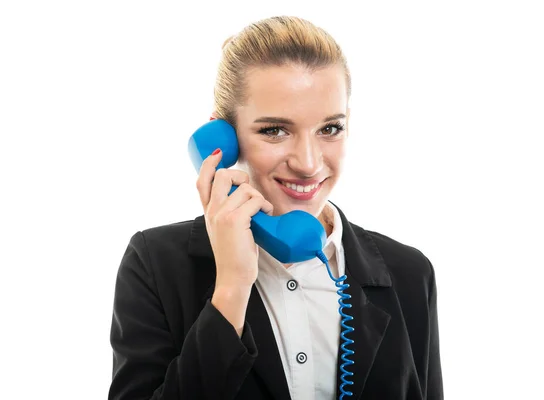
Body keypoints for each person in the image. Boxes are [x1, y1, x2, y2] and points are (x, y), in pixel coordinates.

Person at [108, 15, 443, 400]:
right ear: (222, 142)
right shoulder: (155, 263)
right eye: (275, 130)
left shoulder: (409, 273)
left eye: (329, 128)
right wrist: (231, 288)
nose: (308, 163)